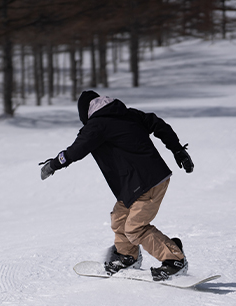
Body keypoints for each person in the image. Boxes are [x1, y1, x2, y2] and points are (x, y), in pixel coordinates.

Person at [40, 91, 194, 281]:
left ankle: (175, 259)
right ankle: (128, 256)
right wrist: (177, 150)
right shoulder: (128, 113)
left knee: (135, 228)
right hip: (138, 183)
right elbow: (158, 124)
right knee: (119, 219)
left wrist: (53, 164)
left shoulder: (96, 126)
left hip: (147, 182)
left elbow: (75, 150)